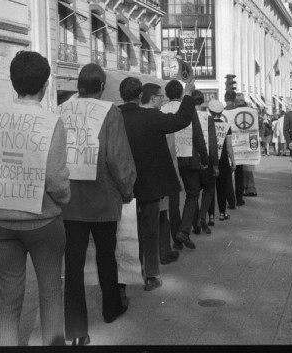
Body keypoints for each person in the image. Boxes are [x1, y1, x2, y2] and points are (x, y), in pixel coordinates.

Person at [0, 51, 71, 346]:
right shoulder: (51, 122)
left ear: (13, 81)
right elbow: (57, 179)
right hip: (43, 221)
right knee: (50, 294)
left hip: (3, 221)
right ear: (45, 85)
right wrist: (63, 200)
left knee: (7, 299)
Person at [57, 64, 136, 345]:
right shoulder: (109, 112)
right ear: (101, 86)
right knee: (106, 255)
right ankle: (110, 309)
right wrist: (127, 188)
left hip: (69, 201)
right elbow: (117, 157)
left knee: (74, 264)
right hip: (102, 199)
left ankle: (76, 328)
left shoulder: (61, 110)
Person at [119, 77, 196, 291]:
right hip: (150, 185)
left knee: (126, 232)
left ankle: (128, 273)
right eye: (160, 96)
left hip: (123, 183)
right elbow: (181, 120)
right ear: (141, 96)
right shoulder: (151, 116)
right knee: (150, 230)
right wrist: (187, 96)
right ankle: (151, 275)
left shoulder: (114, 117)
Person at [162, 80, 212, 244]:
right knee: (193, 193)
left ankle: (177, 236)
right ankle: (184, 231)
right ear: (181, 93)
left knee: (174, 200)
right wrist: (205, 159)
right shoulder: (188, 108)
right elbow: (198, 136)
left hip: (169, 157)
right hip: (188, 156)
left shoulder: (161, 109)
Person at [140, 83, 179, 264]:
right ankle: (163, 252)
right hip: (157, 177)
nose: (164, 99)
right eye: (161, 96)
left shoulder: (131, 117)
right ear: (153, 98)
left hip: (138, 178)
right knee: (162, 217)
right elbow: (170, 150)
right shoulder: (161, 119)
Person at [190, 90, 219, 230]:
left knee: (193, 193)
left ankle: (195, 222)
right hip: (205, 159)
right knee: (208, 188)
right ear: (201, 102)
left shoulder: (186, 116)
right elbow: (212, 143)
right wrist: (215, 164)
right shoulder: (208, 118)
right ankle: (202, 217)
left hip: (189, 159)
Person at [207, 100, 236, 221]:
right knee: (222, 187)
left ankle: (211, 217)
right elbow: (229, 146)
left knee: (209, 189)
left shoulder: (207, 125)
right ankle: (222, 213)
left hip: (210, 160)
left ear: (209, 111)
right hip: (223, 160)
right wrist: (233, 161)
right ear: (222, 112)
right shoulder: (226, 126)